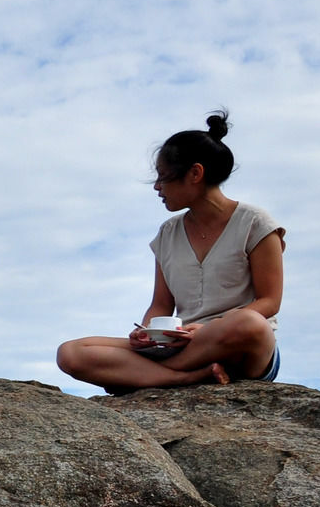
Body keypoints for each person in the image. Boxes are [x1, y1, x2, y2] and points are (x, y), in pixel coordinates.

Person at [55, 112, 283, 392]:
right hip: (182, 345)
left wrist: (212, 328)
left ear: (195, 174)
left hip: (239, 344)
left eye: (163, 177)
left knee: (250, 324)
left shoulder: (256, 223)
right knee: (70, 352)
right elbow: (162, 305)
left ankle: (143, 376)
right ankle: (187, 378)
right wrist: (148, 333)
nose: (157, 186)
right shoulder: (167, 233)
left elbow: (269, 302)